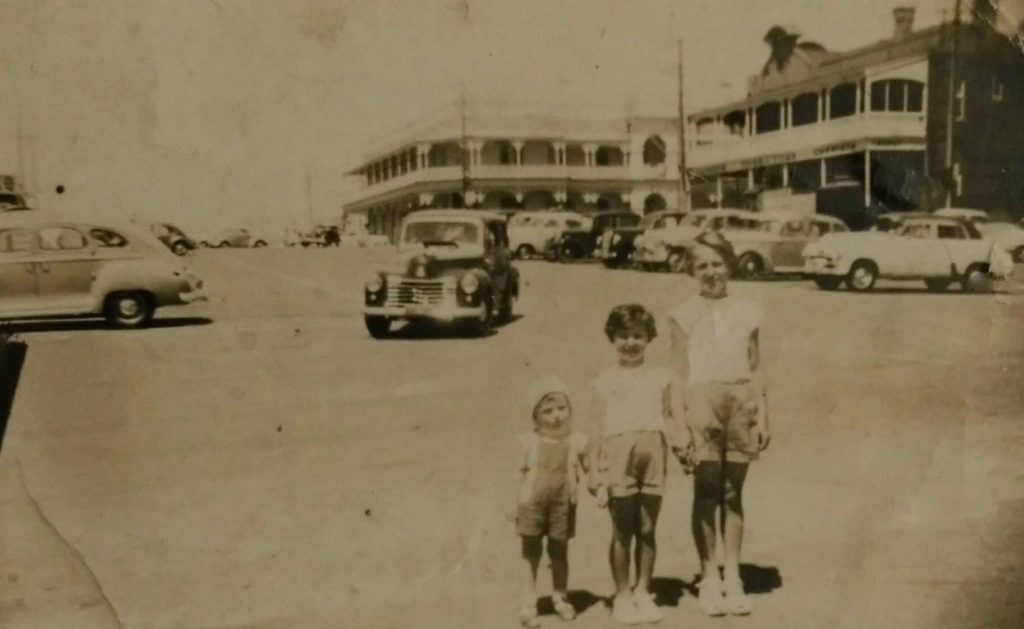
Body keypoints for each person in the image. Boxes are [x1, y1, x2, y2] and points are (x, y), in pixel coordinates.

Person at [668, 231, 771, 617]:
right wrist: (679, 423)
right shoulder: (682, 314)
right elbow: (678, 373)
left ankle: (733, 575)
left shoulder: (749, 311)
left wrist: (764, 413)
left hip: (740, 401)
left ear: (729, 263)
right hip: (701, 402)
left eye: (717, 263)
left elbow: (757, 366)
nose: (711, 272)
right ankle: (709, 575)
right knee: (706, 492)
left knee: (733, 494)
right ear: (691, 271)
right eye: (702, 266)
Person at [588, 304, 673, 624]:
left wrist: (684, 447)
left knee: (648, 528)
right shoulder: (604, 380)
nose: (630, 343)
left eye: (637, 335)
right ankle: (622, 594)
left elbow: (670, 417)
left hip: (653, 453)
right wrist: (594, 470)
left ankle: (643, 591)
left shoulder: (662, 377)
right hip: (617, 454)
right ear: (612, 338)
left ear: (649, 338)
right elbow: (596, 429)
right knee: (622, 530)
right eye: (623, 336)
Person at [513, 377, 589, 627]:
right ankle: (528, 601)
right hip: (531, 506)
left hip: (562, 505)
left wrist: (598, 486)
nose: (556, 416)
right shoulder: (528, 441)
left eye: (561, 408)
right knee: (531, 553)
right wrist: (513, 503)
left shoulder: (577, 440)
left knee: (559, 552)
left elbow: (590, 469)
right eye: (547, 411)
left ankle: (560, 597)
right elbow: (518, 473)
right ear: (535, 416)